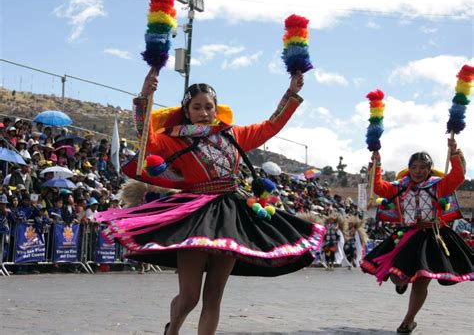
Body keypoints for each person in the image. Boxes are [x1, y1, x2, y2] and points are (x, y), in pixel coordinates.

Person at [97, 69, 326, 335]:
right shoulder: (173, 140)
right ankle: (172, 331)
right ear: (187, 110)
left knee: (214, 296)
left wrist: (291, 94)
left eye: (209, 107)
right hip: (196, 216)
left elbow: (270, 126)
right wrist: (145, 95)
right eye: (197, 107)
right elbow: (145, 138)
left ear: (217, 109)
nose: (204, 112)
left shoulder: (234, 135)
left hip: (231, 215)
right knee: (190, 297)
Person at [360, 138, 473, 334]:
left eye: (423, 167)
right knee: (398, 277)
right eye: (414, 167)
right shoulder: (399, 187)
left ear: (429, 169)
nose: (418, 171)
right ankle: (401, 283)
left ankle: (408, 321)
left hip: (433, 237)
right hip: (408, 235)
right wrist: (376, 163)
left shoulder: (440, 185)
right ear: (409, 168)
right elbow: (378, 187)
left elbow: (458, 176)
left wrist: (454, 153)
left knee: (422, 279)